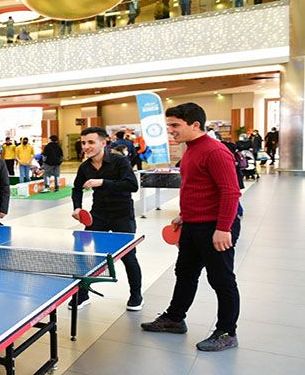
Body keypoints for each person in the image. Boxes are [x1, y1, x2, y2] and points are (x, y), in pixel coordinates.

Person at [141, 103, 242, 352]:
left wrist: (223, 228)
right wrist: (184, 215)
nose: (170, 131)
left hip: (216, 228)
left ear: (195, 125)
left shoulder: (215, 151)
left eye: (175, 126)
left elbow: (230, 192)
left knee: (221, 279)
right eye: (169, 126)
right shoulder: (191, 150)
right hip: (193, 226)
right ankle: (175, 318)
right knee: (185, 273)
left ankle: (227, 332)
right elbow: (197, 189)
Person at [71, 127, 143, 311]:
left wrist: (102, 182)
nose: (86, 146)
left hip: (122, 214)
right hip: (99, 215)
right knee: (86, 255)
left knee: (129, 256)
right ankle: (83, 294)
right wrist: (77, 207)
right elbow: (76, 188)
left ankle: (136, 295)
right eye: (83, 143)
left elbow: (132, 185)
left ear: (103, 143)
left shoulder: (119, 161)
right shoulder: (85, 167)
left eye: (91, 142)